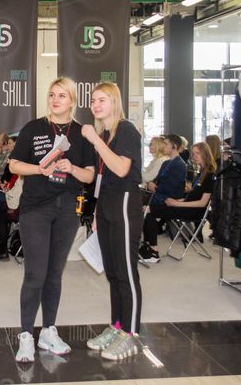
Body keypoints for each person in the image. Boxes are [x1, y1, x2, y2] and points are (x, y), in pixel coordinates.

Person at [9, 77, 95, 363]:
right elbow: (13, 164)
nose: (55, 100)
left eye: (62, 95)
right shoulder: (33, 128)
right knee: (35, 274)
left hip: (68, 209)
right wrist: (39, 169)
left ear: (72, 101)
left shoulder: (82, 133)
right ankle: (26, 335)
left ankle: (48, 330)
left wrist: (72, 168)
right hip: (35, 208)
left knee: (55, 274)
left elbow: (90, 176)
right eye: (52, 95)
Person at [81, 82, 145, 361]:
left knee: (126, 272)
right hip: (106, 204)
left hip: (124, 202)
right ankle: (117, 326)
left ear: (114, 102)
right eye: (93, 100)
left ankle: (130, 334)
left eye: (102, 100)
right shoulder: (105, 134)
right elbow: (102, 176)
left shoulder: (126, 130)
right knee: (113, 273)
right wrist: (97, 211)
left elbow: (120, 169)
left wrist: (95, 141)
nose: (96, 105)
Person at [139, 142, 217, 264]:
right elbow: (191, 197)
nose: (194, 156)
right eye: (193, 153)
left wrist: (178, 203)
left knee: (150, 211)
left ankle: (153, 251)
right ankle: (148, 246)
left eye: (198, 153)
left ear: (205, 154)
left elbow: (202, 203)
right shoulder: (201, 172)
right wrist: (177, 201)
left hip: (194, 211)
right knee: (148, 209)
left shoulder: (210, 175)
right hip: (185, 206)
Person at [145, 134, 186, 207]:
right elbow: (157, 181)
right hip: (158, 198)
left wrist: (155, 188)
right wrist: (150, 183)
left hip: (167, 202)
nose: (163, 146)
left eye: (166, 144)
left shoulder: (179, 165)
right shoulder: (166, 163)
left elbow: (172, 189)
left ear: (174, 146)